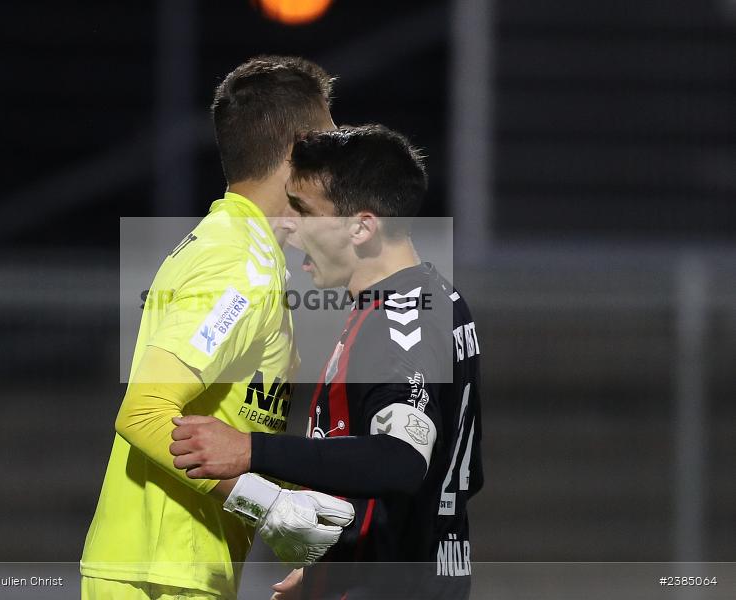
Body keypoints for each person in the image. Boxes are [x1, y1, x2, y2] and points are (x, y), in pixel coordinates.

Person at [81, 56, 355, 600]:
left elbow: (236, 416)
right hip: (163, 576)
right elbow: (144, 412)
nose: (339, 166)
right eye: (329, 144)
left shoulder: (237, 247)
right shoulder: (238, 264)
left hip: (174, 570)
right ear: (299, 150)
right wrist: (268, 504)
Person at [170, 125, 484, 599]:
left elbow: (400, 459)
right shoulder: (435, 297)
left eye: (305, 212)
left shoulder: (400, 322)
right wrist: (335, 567)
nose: (290, 228)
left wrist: (249, 449)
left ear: (361, 227)